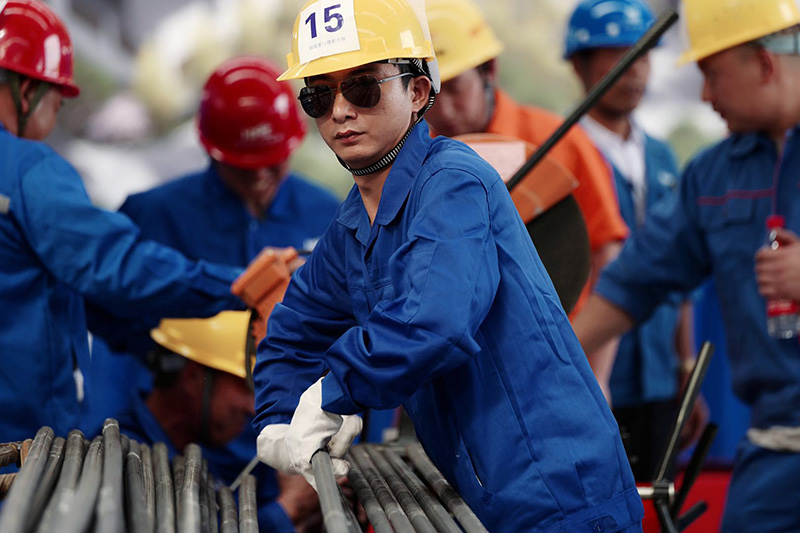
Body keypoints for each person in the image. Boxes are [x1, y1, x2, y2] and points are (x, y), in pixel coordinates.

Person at [251, 0, 643, 530]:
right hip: (479, 492)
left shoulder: (454, 183)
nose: (340, 110)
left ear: (417, 92)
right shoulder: (353, 225)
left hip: (560, 496)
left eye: (362, 88)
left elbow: (433, 322)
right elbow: (295, 330)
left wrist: (333, 392)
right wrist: (278, 420)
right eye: (319, 95)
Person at [571, 0, 800, 529]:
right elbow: (636, 280)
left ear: (764, 64)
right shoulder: (713, 177)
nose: (705, 96)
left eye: (712, 75)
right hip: (775, 450)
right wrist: (550, 360)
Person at [87, 56, 340, 531]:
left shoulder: (330, 216)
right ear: (211, 150)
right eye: (243, 166)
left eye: (272, 162)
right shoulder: (154, 217)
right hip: (180, 452)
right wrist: (106, 441)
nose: (260, 177)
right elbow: (108, 336)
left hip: (294, 451)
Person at [0, 0, 243, 444]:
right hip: (17, 441)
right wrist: (236, 286)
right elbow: (115, 267)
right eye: (58, 100)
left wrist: (146, 342)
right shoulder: (27, 169)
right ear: (28, 90)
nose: (56, 115)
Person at [564, 0, 705, 481]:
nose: (635, 71)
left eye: (643, 56)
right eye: (620, 57)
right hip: (586, 377)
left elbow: (681, 271)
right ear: (579, 65)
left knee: (658, 499)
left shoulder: (664, 157)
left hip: (660, 379)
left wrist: (685, 365)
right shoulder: (560, 158)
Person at [424, 0, 628, 314]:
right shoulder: (417, 164)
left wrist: (588, 344)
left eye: (455, 88)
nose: (445, 110)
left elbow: (607, 249)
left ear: (489, 70)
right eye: (432, 94)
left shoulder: (559, 141)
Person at [116, 311, 323, 531]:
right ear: (191, 378)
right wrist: (289, 508)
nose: (252, 407)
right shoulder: (124, 462)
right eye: (245, 386)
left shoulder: (198, 447)